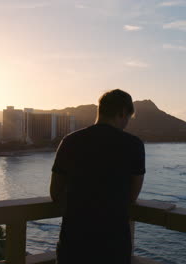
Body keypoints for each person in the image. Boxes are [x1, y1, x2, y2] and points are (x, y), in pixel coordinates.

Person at [50, 89, 145, 264]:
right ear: (122, 113)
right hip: (113, 244)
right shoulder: (134, 145)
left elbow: (55, 193)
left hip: (74, 242)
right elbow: (132, 196)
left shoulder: (70, 141)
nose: (127, 123)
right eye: (127, 118)